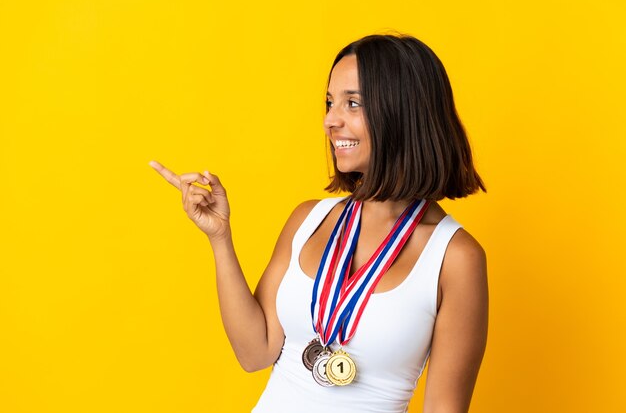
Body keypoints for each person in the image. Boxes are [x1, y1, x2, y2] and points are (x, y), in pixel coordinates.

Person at [149, 33, 488, 413]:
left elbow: (445, 408)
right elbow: (255, 352)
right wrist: (220, 238)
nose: (330, 120)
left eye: (352, 103)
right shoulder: (309, 220)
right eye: (329, 103)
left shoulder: (456, 257)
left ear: (402, 111)